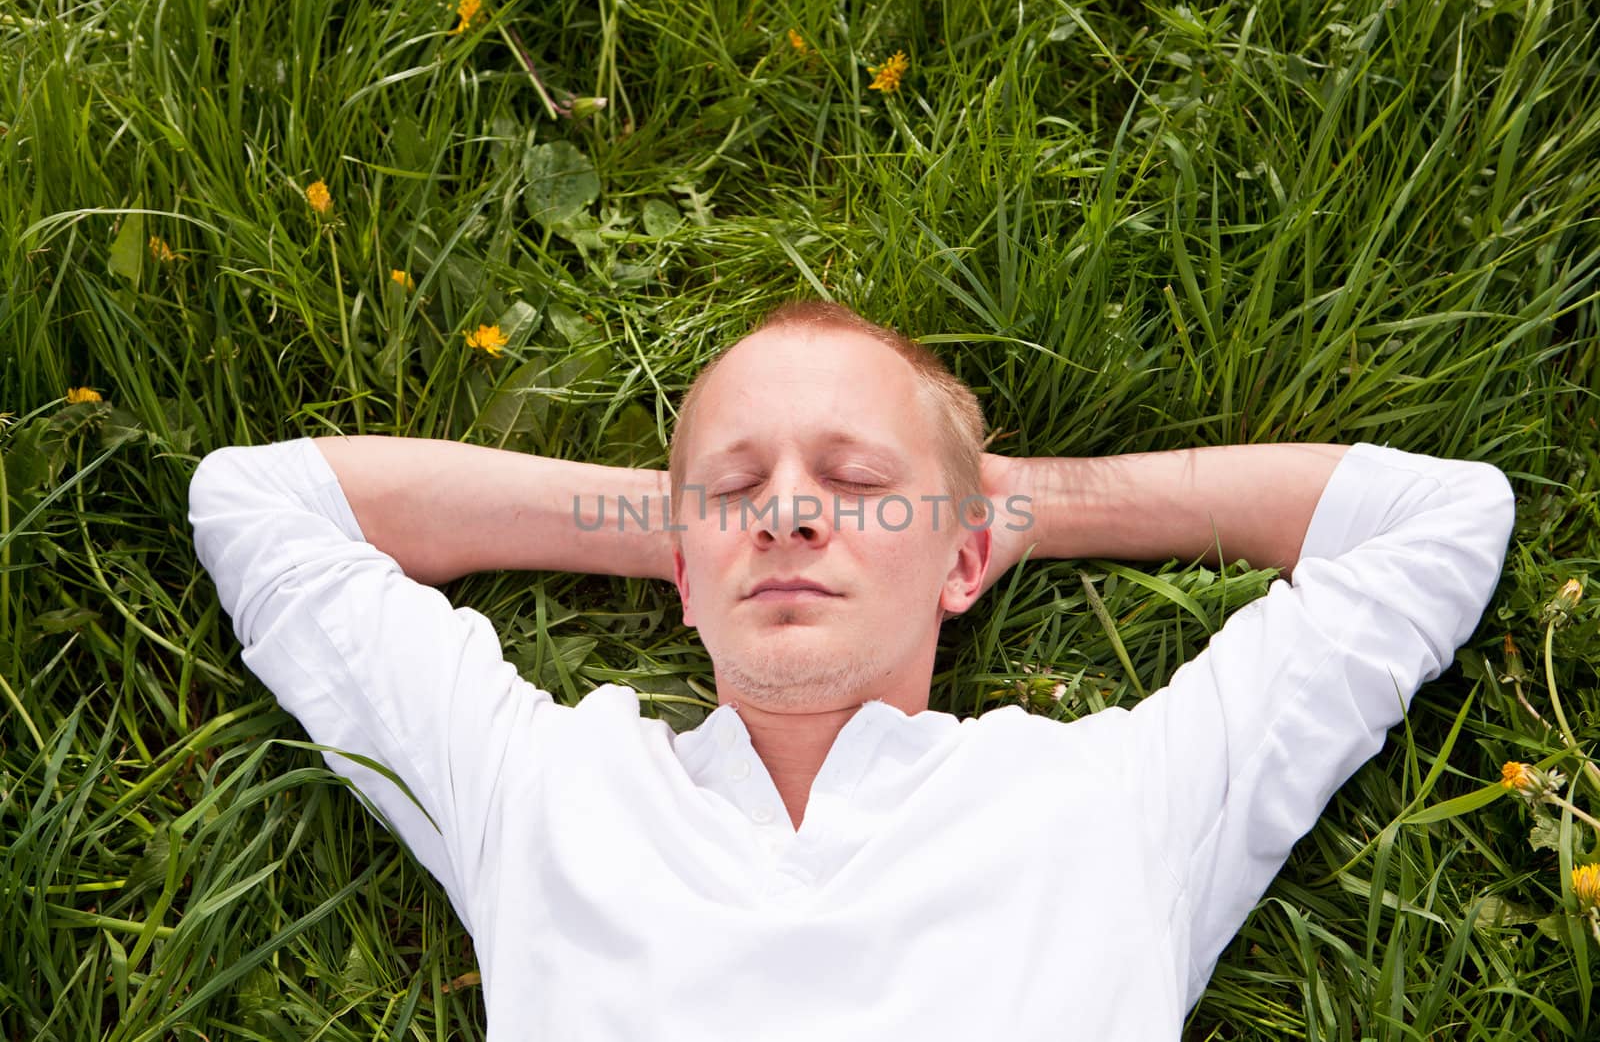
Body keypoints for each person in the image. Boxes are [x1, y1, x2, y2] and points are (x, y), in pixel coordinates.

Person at [188, 300, 1515, 1039]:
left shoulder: (1117, 803)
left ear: (963, 561)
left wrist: (997, 511)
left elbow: (1437, 523)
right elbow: (264, 508)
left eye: (855, 480)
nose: (789, 513)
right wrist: (687, 525)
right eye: (739, 488)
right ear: (683, 569)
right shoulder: (547, 793)